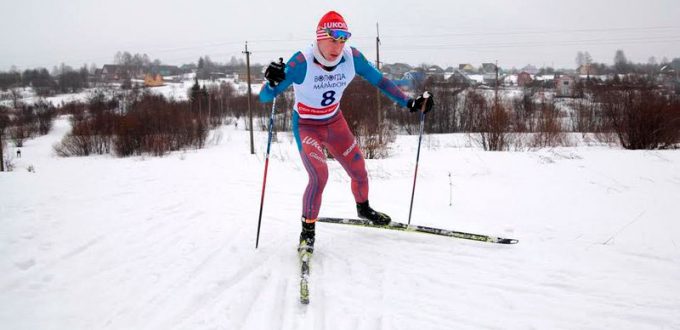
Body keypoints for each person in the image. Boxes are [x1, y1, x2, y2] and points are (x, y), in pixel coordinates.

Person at [259, 11, 433, 253]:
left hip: (334, 122)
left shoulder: (352, 57)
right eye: (332, 39)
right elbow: (266, 96)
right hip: (307, 126)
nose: (337, 47)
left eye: (343, 40)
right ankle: (307, 232)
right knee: (320, 175)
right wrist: (271, 80)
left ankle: (364, 209)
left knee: (359, 170)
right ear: (319, 38)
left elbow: (380, 81)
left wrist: (410, 103)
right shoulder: (301, 62)